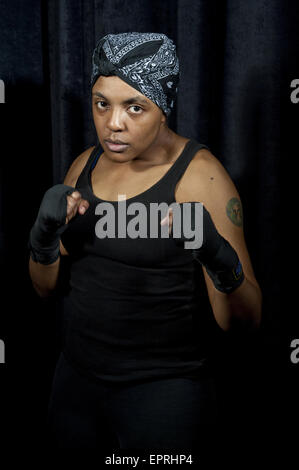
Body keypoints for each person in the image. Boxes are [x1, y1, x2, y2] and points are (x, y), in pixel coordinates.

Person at [28, 32, 262, 453]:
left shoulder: (200, 178)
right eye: (103, 104)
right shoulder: (85, 164)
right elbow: (46, 290)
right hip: (75, 383)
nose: (113, 123)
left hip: (163, 395)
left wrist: (216, 255)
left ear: (163, 108)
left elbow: (246, 322)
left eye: (135, 107)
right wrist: (43, 240)